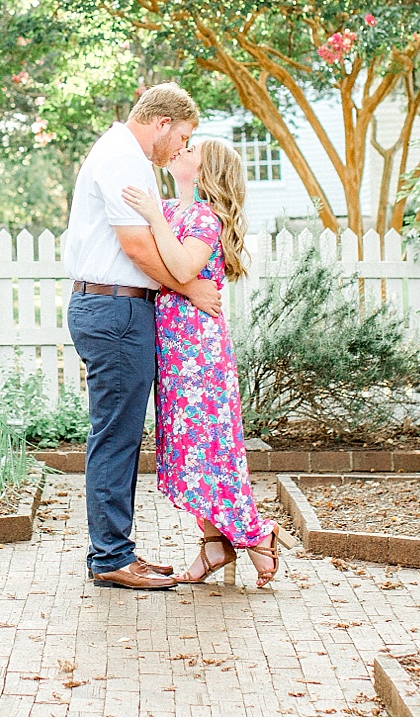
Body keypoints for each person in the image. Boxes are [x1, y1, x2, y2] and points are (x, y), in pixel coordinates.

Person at [64, 83, 222, 590]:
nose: (181, 147)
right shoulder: (123, 158)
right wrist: (191, 287)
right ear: (162, 123)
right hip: (115, 310)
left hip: (120, 308)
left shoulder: (126, 155)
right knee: (115, 435)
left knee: (122, 435)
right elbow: (135, 245)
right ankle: (111, 557)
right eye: (183, 135)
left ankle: (117, 551)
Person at [121, 137, 293, 588]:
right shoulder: (174, 209)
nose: (180, 149)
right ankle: (215, 544)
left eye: (191, 148)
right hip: (176, 350)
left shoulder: (202, 216)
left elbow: (181, 269)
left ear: (206, 169)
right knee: (192, 447)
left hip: (197, 350)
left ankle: (256, 534)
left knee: (209, 448)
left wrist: (155, 216)